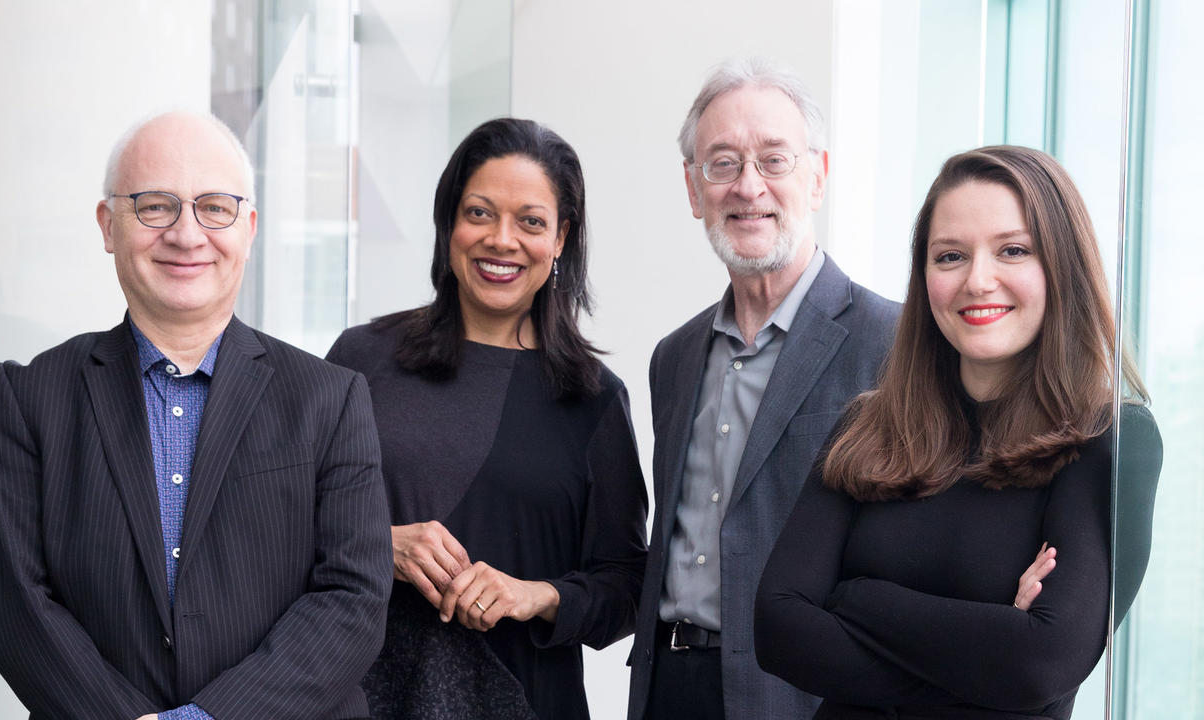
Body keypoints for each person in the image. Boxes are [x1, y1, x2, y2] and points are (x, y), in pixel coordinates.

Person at [0, 111, 394, 720]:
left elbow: (353, 600)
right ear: (108, 225)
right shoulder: (31, 396)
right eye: (155, 206)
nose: (186, 233)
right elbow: (19, 611)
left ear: (248, 228)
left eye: (215, 208)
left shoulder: (330, 399)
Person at [753, 145, 1164, 720]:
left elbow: (1039, 664)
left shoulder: (1110, 440)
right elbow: (777, 629)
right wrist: (987, 660)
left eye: (1013, 250)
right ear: (925, 276)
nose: (978, 280)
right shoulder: (869, 427)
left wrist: (857, 599)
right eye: (949, 256)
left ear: (1061, 267)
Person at [325, 117, 648, 720]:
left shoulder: (595, 399)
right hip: (359, 698)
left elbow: (627, 587)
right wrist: (377, 544)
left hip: (523, 699)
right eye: (479, 213)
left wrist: (537, 595)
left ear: (560, 239)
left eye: (530, 221)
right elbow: (279, 525)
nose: (502, 239)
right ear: (448, 224)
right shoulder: (361, 357)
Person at [626, 58, 902, 720]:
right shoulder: (675, 357)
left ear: (817, 177)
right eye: (722, 164)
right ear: (694, 190)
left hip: (803, 696)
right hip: (667, 686)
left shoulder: (893, 345)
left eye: (774, 160)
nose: (749, 187)